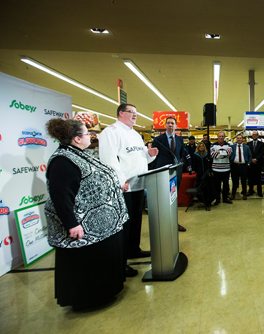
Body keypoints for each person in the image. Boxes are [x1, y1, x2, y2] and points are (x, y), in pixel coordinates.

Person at [45, 118, 129, 310]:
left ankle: (106, 292)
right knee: (88, 266)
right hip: (84, 227)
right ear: (76, 139)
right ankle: (90, 299)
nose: (91, 136)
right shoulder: (62, 161)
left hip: (102, 225)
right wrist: (71, 224)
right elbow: (61, 196)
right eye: (87, 133)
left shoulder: (79, 154)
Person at [99, 103, 158, 277]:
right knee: (124, 225)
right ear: (120, 113)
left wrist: (150, 155)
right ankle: (121, 262)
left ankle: (134, 249)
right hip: (124, 187)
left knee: (136, 220)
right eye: (131, 112)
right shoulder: (111, 132)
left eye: (136, 113)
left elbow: (140, 159)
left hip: (139, 184)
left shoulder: (136, 135)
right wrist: (119, 180)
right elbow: (108, 159)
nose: (135, 115)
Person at [151, 116, 191, 232]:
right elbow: (153, 157)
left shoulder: (179, 139)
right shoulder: (158, 140)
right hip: (162, 173)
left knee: (173, 198)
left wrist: (184, 164)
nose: (170, 125)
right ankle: (162, 224)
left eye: (172, 123)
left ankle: (174, 223)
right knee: (163, 198)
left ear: (176, 126)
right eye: (168, 123)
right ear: (165, 125)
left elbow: (181, 154)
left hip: (176, 173)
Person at [211, 131, 233, 204]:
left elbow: (229, 154)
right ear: (217, 137)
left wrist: (218, 152)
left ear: (224, 137)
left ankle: (225, 198)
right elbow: (213, 155)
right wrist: (223, 152)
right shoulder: (213, 145)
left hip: (226, 169)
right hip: (216, 169)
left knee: (226, 185)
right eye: (219, 136)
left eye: (222, 136)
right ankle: (217, 199)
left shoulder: (229, 145)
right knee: (216, 185)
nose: (221, 138)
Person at [191, 142, 214, 210]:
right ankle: (204, 202)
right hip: (199, 175)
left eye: (203, 146)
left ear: (204, 147)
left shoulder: (207, 155)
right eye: (200, 146)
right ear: (198, 147)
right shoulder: (195, 155)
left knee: (208, 189)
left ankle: (208, 204)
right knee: (201, 189)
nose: (201, 147)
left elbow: (210, 164)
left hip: (207, 175)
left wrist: (210, 171)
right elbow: (193, 165)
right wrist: (193, 170)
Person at [230, 134, 251, 200]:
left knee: (244, 181)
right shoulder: (232, 146)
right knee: (235, 181)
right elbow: (229, 155)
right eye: (238, 138)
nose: (239, 139)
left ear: (242, 139)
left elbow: (250, 156)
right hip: (234, 166)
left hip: (243, 166)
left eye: (240, 138)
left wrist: (248, 163)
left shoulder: (246, 147)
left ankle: (244, 194)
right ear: (236, 139)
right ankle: (233, 194)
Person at [247, 131, 264, 197]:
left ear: (258, 136)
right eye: (253, 135)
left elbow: (262, 152)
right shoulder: (248, 143)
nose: (254, 136)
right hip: (251, 164)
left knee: (258, 179)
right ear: (252, 136)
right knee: (250, 178)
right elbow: (247, 153)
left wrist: (256, 159)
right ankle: (250, 191)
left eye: (255, 135)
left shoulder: (261, 144)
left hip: (258, 164)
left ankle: (259, 192)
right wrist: (251, 159)